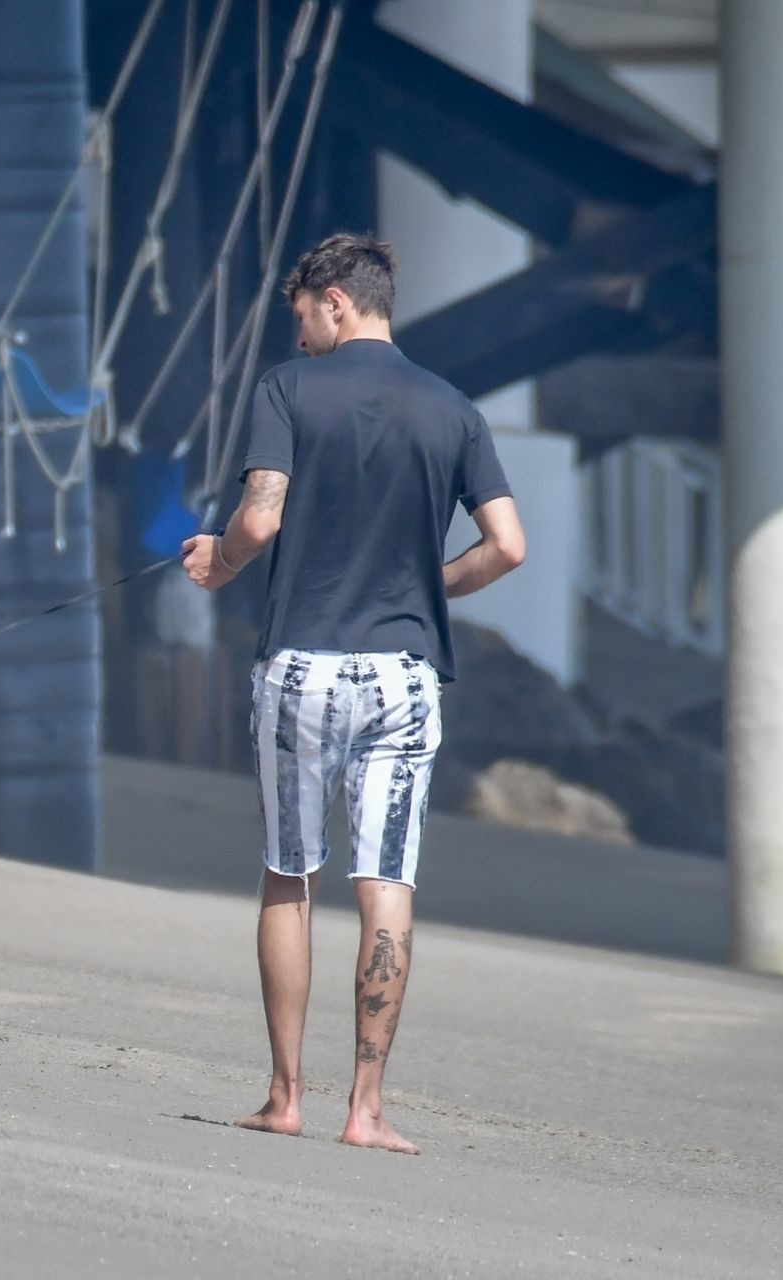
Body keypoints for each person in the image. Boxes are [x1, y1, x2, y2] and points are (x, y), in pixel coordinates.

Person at [182, 232, 526, 1155]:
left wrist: (219, 562)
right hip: (403, 675)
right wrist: (427, 589)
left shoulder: (288, 390)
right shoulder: (455, 410)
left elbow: (260, 517)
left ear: (335, 301)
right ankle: (366, 1110)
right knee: (387, 882)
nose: (299, 339)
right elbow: (508, 545)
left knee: (289, 873)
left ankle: (285, 1098)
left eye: (303, 318)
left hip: (303, 665)